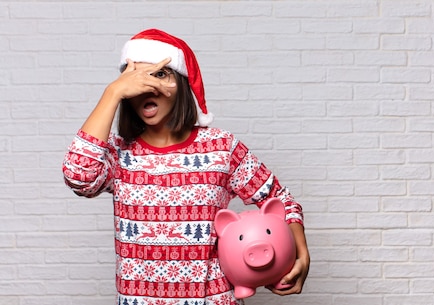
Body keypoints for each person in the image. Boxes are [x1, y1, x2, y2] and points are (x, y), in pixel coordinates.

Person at [62, 29, 310, 305]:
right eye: (136, 79)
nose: (147, 87)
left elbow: (282, 201)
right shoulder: (118, 152)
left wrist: (302, 255)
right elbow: (79, 176)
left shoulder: (221, 147)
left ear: (182, 82)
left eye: (159, 74)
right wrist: (112, 92)